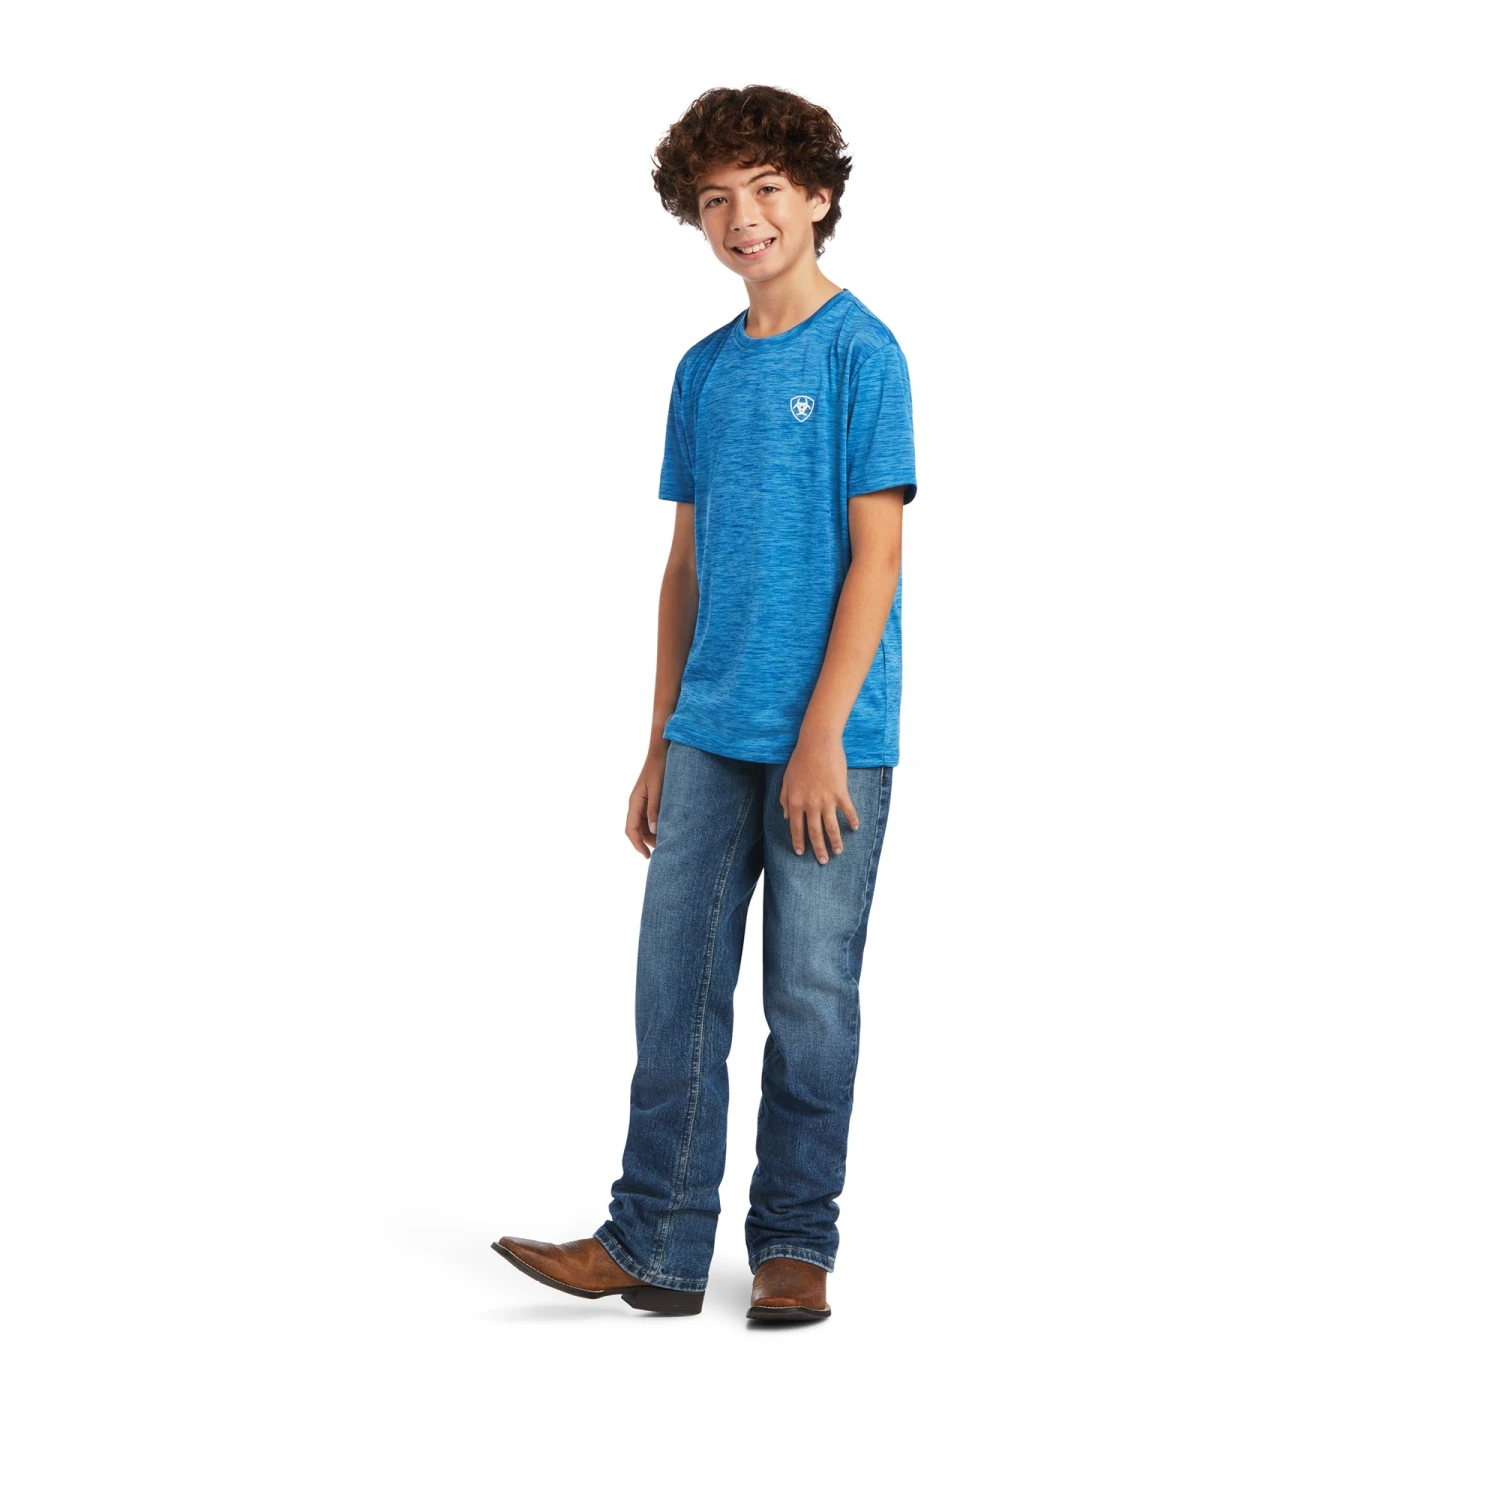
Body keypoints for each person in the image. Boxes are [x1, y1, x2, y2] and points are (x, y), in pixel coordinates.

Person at [493, 84, 917, 1322]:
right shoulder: (703, 370)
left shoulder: (863, 355)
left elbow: (878, 561)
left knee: (809, 997)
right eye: (717, 200)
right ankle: (656, 1242)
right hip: (708, 735)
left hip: (831, 743)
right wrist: (658, 739)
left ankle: (794, 1242)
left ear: (819, 197)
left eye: (767, 191)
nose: (743, 219)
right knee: (674, 988)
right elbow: (684, 566)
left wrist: (823, 735)